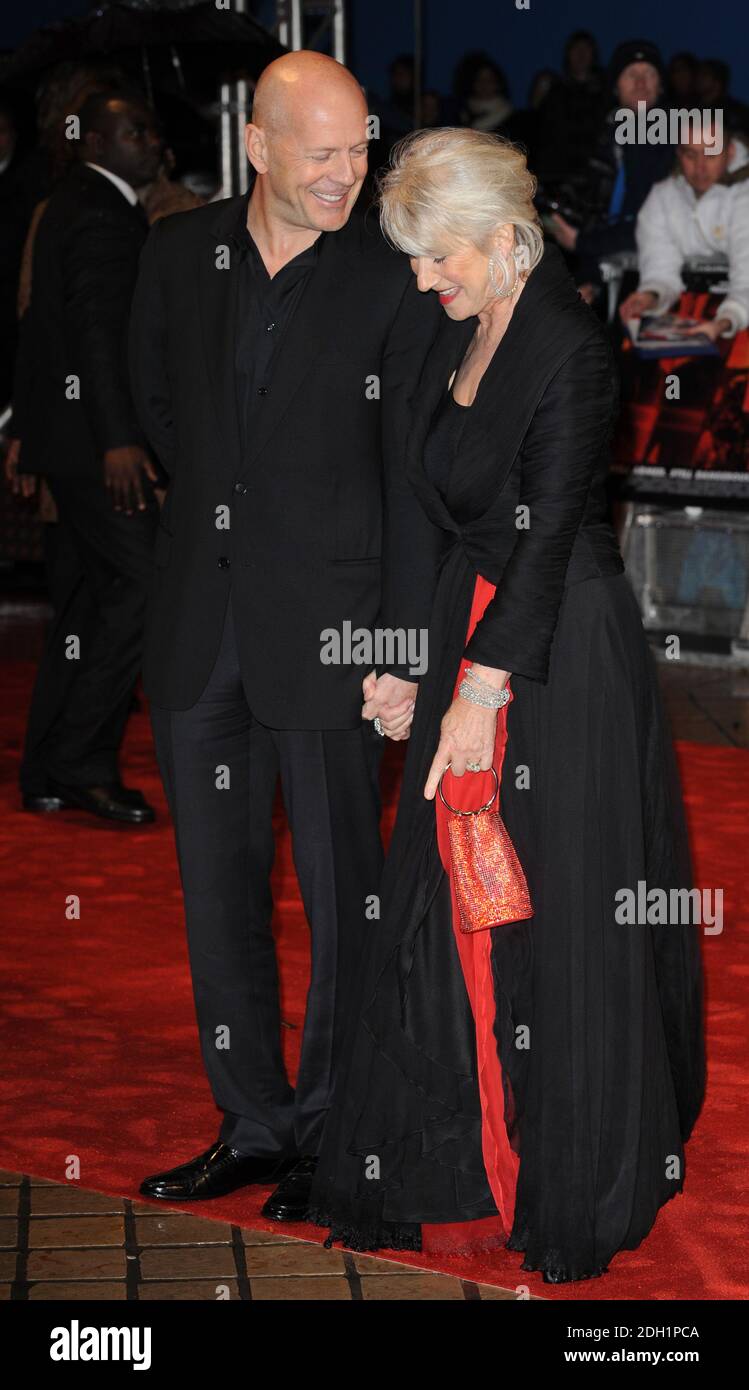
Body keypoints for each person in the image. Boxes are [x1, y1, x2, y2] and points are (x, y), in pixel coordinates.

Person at [305, 128, 706, 1283]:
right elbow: (429, 514)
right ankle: (462, 1153)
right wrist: (402, 663)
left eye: (439, 259)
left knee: (552, 905)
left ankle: (565, 1170)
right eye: (416, 262)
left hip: (552, 658)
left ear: (503, 236)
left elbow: (541, 538)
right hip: (460, 630)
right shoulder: (458, 334)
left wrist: (476, 691)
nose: (423, 282)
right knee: (454, 895)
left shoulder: (570, 350)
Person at [128, 52, 442, 1206]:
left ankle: (334, 1129)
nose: (348, 172)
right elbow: (156, 405)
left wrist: (401, 646)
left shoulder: (390, 275)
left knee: (342, 894)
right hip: (201, 628)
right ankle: (252, 1119)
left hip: (340, 641)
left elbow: (414, 480)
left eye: (361, 146)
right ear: (255, 146)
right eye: (324, 150)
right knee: (217, 897)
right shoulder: (177, 254)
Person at [10, 88, 163, 823]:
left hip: (63, 443)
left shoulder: (69, 201)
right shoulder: (100, 212)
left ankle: (45, 766)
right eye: (134, 130)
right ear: (94, 143)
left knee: (80, 606)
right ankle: (80, 763)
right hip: (94, 447)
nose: (153, 141)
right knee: (140, 587)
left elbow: (47, 328)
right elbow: (97, 336)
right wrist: (119, 440)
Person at [549, 40, 676, 304]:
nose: (641, 82)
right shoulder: (609, 137)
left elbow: (646, 223)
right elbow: (601, 213)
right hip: (614, 266)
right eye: (632, 74)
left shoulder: (668, 138)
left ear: (660, 87)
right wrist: (590, 276)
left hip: (660, 274)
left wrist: (583, 243)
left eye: (649, 74)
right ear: (615, 87)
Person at [620, 114, 749, 341]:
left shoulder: (745, 194)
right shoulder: (662, 196)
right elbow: (660, 269)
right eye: (691, 154)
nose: (700, 166)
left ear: (729, 153)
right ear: (679, 154)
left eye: (711, 152)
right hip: (688, 313)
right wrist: (648, 296)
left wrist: (722, 323)